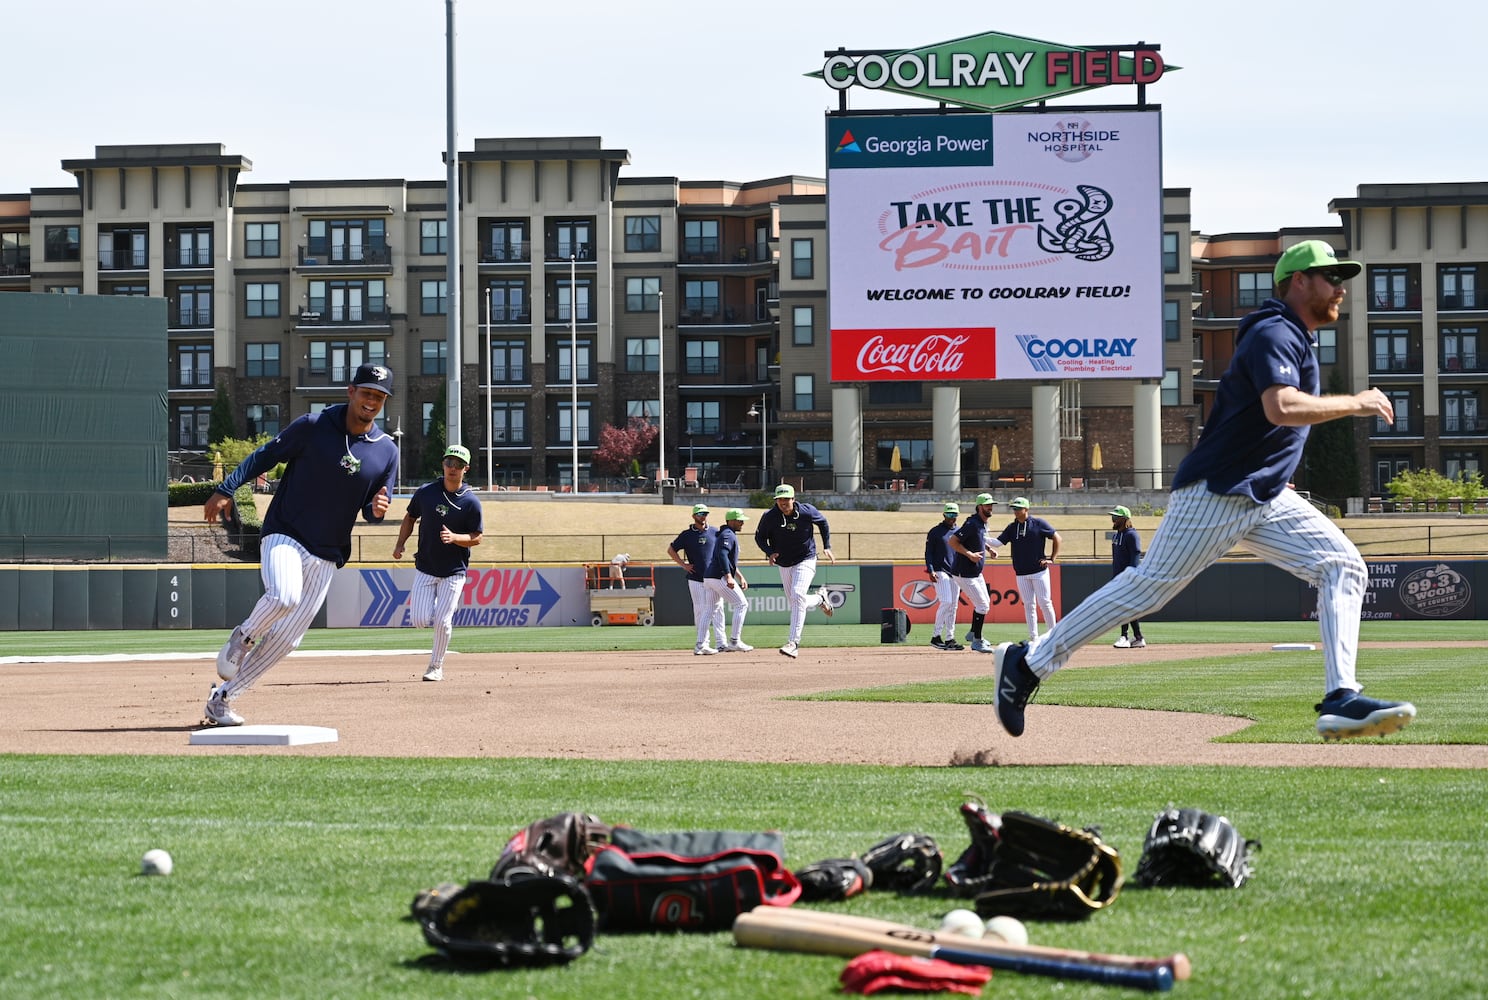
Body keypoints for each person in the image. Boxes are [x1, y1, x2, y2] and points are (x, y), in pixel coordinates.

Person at [992, 239, 1417, 741]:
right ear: (1299, 281)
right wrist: (1358, 403)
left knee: (1342, 565)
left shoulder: (1294, 336)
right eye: (1331, 277)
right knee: (1146, 589)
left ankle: (1341, 698)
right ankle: (1029, 664)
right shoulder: (1275, 331)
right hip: (1219, 491)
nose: (1340, 289)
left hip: (1263, 494)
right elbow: (1281, 407)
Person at [202, 362, 399, 725]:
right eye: (367, 392)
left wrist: (376, 509)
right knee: (283, 596)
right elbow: (264, 456)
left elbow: (373, 512)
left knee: (287, 640)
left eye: (379, 396)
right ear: (350, 391)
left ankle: (223, 699)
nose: (372, 401)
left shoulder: (387, 451)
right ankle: (242, 637)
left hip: (328, 553)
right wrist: (226, 488)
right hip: (286, 534)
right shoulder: (313, 425)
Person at [392, 444, 484, 682]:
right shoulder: (426, 492)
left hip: (454, 571)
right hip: (426, 567)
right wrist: (400, 543)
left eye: (458, 465)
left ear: (466, 469)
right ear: (443, 465)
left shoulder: (471, 502)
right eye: (448, 463)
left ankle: (435, 666)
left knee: (442, 621)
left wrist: (455, 538)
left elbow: (477, 537)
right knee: (420, 620)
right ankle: (445, 609)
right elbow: (410, 517)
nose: (452, 468)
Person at [753, 483, 835, 659]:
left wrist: (827, 546)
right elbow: (759, 537)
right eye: (779, 499)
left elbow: (823, 523)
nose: (783, 503)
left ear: (793, 499)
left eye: (786, 499)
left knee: (797, 595)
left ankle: (793, 643)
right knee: (796, 601)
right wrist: (769, 552)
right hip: (784, 563)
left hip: (806, 558)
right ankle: (820, 598)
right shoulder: (770, 516)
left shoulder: (806, 511)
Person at [988, 497, 1061, 642]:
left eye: (1018, 508)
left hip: (1039, 571)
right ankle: (1033, 637)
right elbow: (997, 543)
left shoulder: (1038, 523)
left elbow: (1057, 538)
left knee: (1045, 603)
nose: (1015, 511)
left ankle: (1053, 636)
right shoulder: (1012, 527)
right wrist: (981, 536)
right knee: (1029, 605)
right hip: (1021, 573)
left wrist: (1051, 559)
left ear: (1026, 509)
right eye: (1014, 508)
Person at [667, 503, 727, 655]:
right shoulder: (687, 534)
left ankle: (722, 643)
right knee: (700, 610)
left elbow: (724, 551)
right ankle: (703, 644)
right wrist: (683, 565)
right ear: (694, 516)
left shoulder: (715, 531)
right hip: (696, 578)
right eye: (700, 514)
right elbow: (671, 550)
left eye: (705, 513)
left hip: (714, 577)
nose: (703, 516)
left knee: (718, 610)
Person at [946, 493, 998, 653]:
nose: (990, 507)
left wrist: (988, 549)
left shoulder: (982, 523)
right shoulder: (972, 523)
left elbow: (979, 539)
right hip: (964, 573)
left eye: (991, 505)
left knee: (985, 604)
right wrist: (969, 554)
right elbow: (953, 541)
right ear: (979, 507)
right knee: (982, 605)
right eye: (987, 505)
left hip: (975, 573)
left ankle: (972, 633)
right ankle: (977, 641)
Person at [702, 508, 753, 652]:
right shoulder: (728, 535)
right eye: (739, 520)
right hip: (719, 577)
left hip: (710, 577)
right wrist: (728, 576)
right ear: (731, 521)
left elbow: (728, 560)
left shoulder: (725, 534)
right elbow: (723, 556)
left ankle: (700, 644)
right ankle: (735, 641)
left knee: (709, 610)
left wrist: (739, 576)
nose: (742, 523)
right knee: (741, 604)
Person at [924, 501, 964, 650]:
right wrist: (930, 569)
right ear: (943, 515)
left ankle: (950, 638)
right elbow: (928, 553)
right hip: (940, 570)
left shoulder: (960, 532)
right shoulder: (935, 531)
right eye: (949, 514)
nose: (951, 517)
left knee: (953, 606)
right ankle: (936, 636)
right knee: (946, 602)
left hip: (955, 572)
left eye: (954, 514)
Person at [1107, 505, 1145, 649]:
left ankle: (1125, 637)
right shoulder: (1117, 535)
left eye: (1116, 517)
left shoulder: (1131, 535)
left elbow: (1135, 556)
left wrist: (1131, 577)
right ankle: (1138, 638)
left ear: (1124, 519)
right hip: (1118, 577)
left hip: (1128, 578)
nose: (1113, 520)